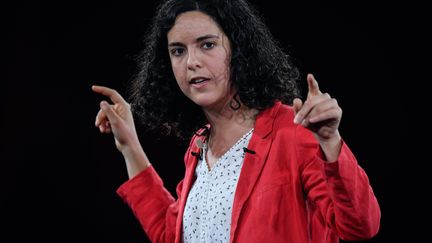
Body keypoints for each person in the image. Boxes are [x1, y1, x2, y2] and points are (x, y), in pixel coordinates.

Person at [92, 0, 381, 242]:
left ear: (240, 50)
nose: (191, 61)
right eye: (178, 50)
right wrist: (129, 144)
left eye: (207, 45)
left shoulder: (292, 132)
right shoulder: (199, 145)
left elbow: (359, 226)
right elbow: (171, 234)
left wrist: (330, 142)